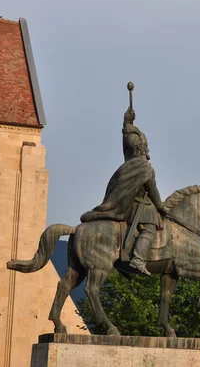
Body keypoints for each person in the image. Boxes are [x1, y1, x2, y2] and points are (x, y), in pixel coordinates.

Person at [80, 106, 168, 276]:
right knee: (149, 228)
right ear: (141, 148)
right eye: (146, 147)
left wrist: (127, 123)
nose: (147, 150)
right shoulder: (144, 168)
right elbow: (153, 191)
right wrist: (161, 206)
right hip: (140, 207)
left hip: (126, 206)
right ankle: (138, 259)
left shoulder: (127, 166)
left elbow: (126, 142)